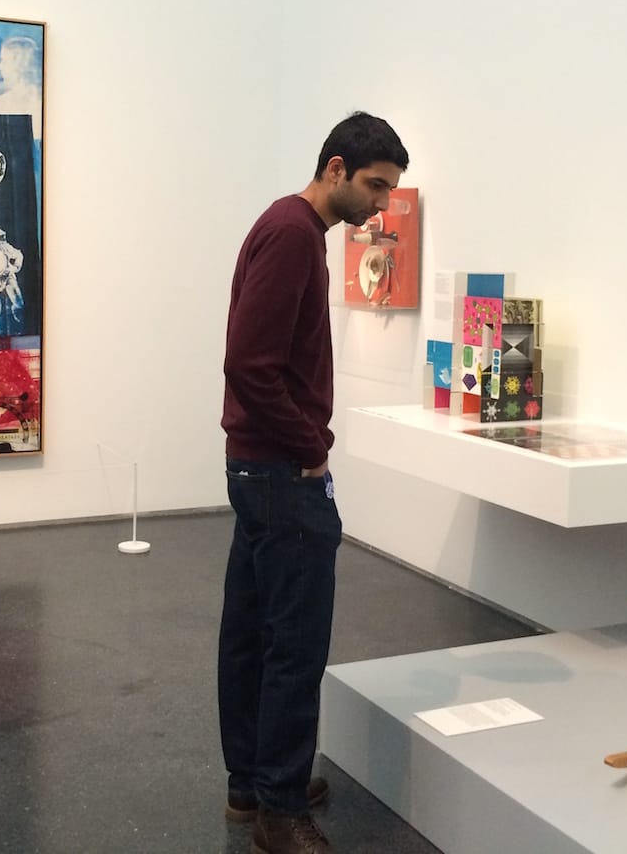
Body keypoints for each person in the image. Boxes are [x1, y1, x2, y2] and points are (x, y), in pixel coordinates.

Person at [219, 112, 409, 854]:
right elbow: (250, 364)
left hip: (258, 466)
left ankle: (254, 785)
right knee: (294, 644)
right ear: (335, 169)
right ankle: (279, 807)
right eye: (375, 186)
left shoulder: (291, 228)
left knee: (252, 633)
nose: (382, 203)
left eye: (389, 190)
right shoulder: (294, 234)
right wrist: (311, 448)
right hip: (280, 471)